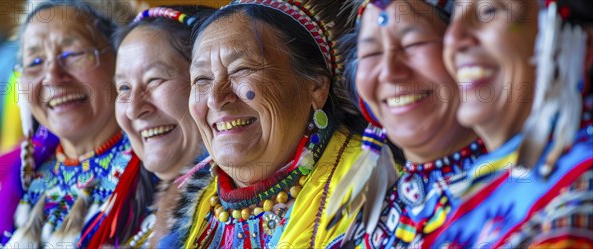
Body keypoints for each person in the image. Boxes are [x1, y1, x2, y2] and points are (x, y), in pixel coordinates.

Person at [179, 0, 371, 247]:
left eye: (242, 69)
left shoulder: (370, 195)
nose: (216, 99)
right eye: (202, 79)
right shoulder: (189, 206)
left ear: (316, 88)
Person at [423, 0, 593, 247]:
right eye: (455, 15)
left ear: (583, 47)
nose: (453, 39)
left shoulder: (579, 196)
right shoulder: (486, 182)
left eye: (489, 10)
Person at [0, 1, 155, 248]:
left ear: (122, 59)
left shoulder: (161, 168)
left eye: (73, 53)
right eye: (35, 62)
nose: (52, 76)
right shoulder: (10, 177)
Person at [336, 0, 487, 247]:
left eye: (413, 44)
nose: (389, 71)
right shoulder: (371, 221)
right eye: (372, 53)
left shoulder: (524, 188)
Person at [112, 6, 216, 248]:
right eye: (124, 88)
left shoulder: (241, 215)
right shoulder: (135, 213)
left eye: (155, 79)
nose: (134, 109)